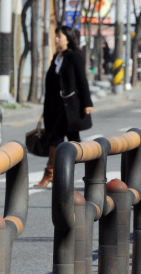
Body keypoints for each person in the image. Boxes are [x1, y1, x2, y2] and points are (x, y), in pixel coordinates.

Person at [35, 26, 94, 187]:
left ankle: (49, 174)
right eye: (55, 36)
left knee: (56, 138)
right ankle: (91, 172)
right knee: (74, 140)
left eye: (59, 36)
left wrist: (87, 103)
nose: (56, 39)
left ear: (67, 38)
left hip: (71, 107)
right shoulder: (56, 57)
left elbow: (82, 81)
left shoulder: (74, 56)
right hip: (56, 107)